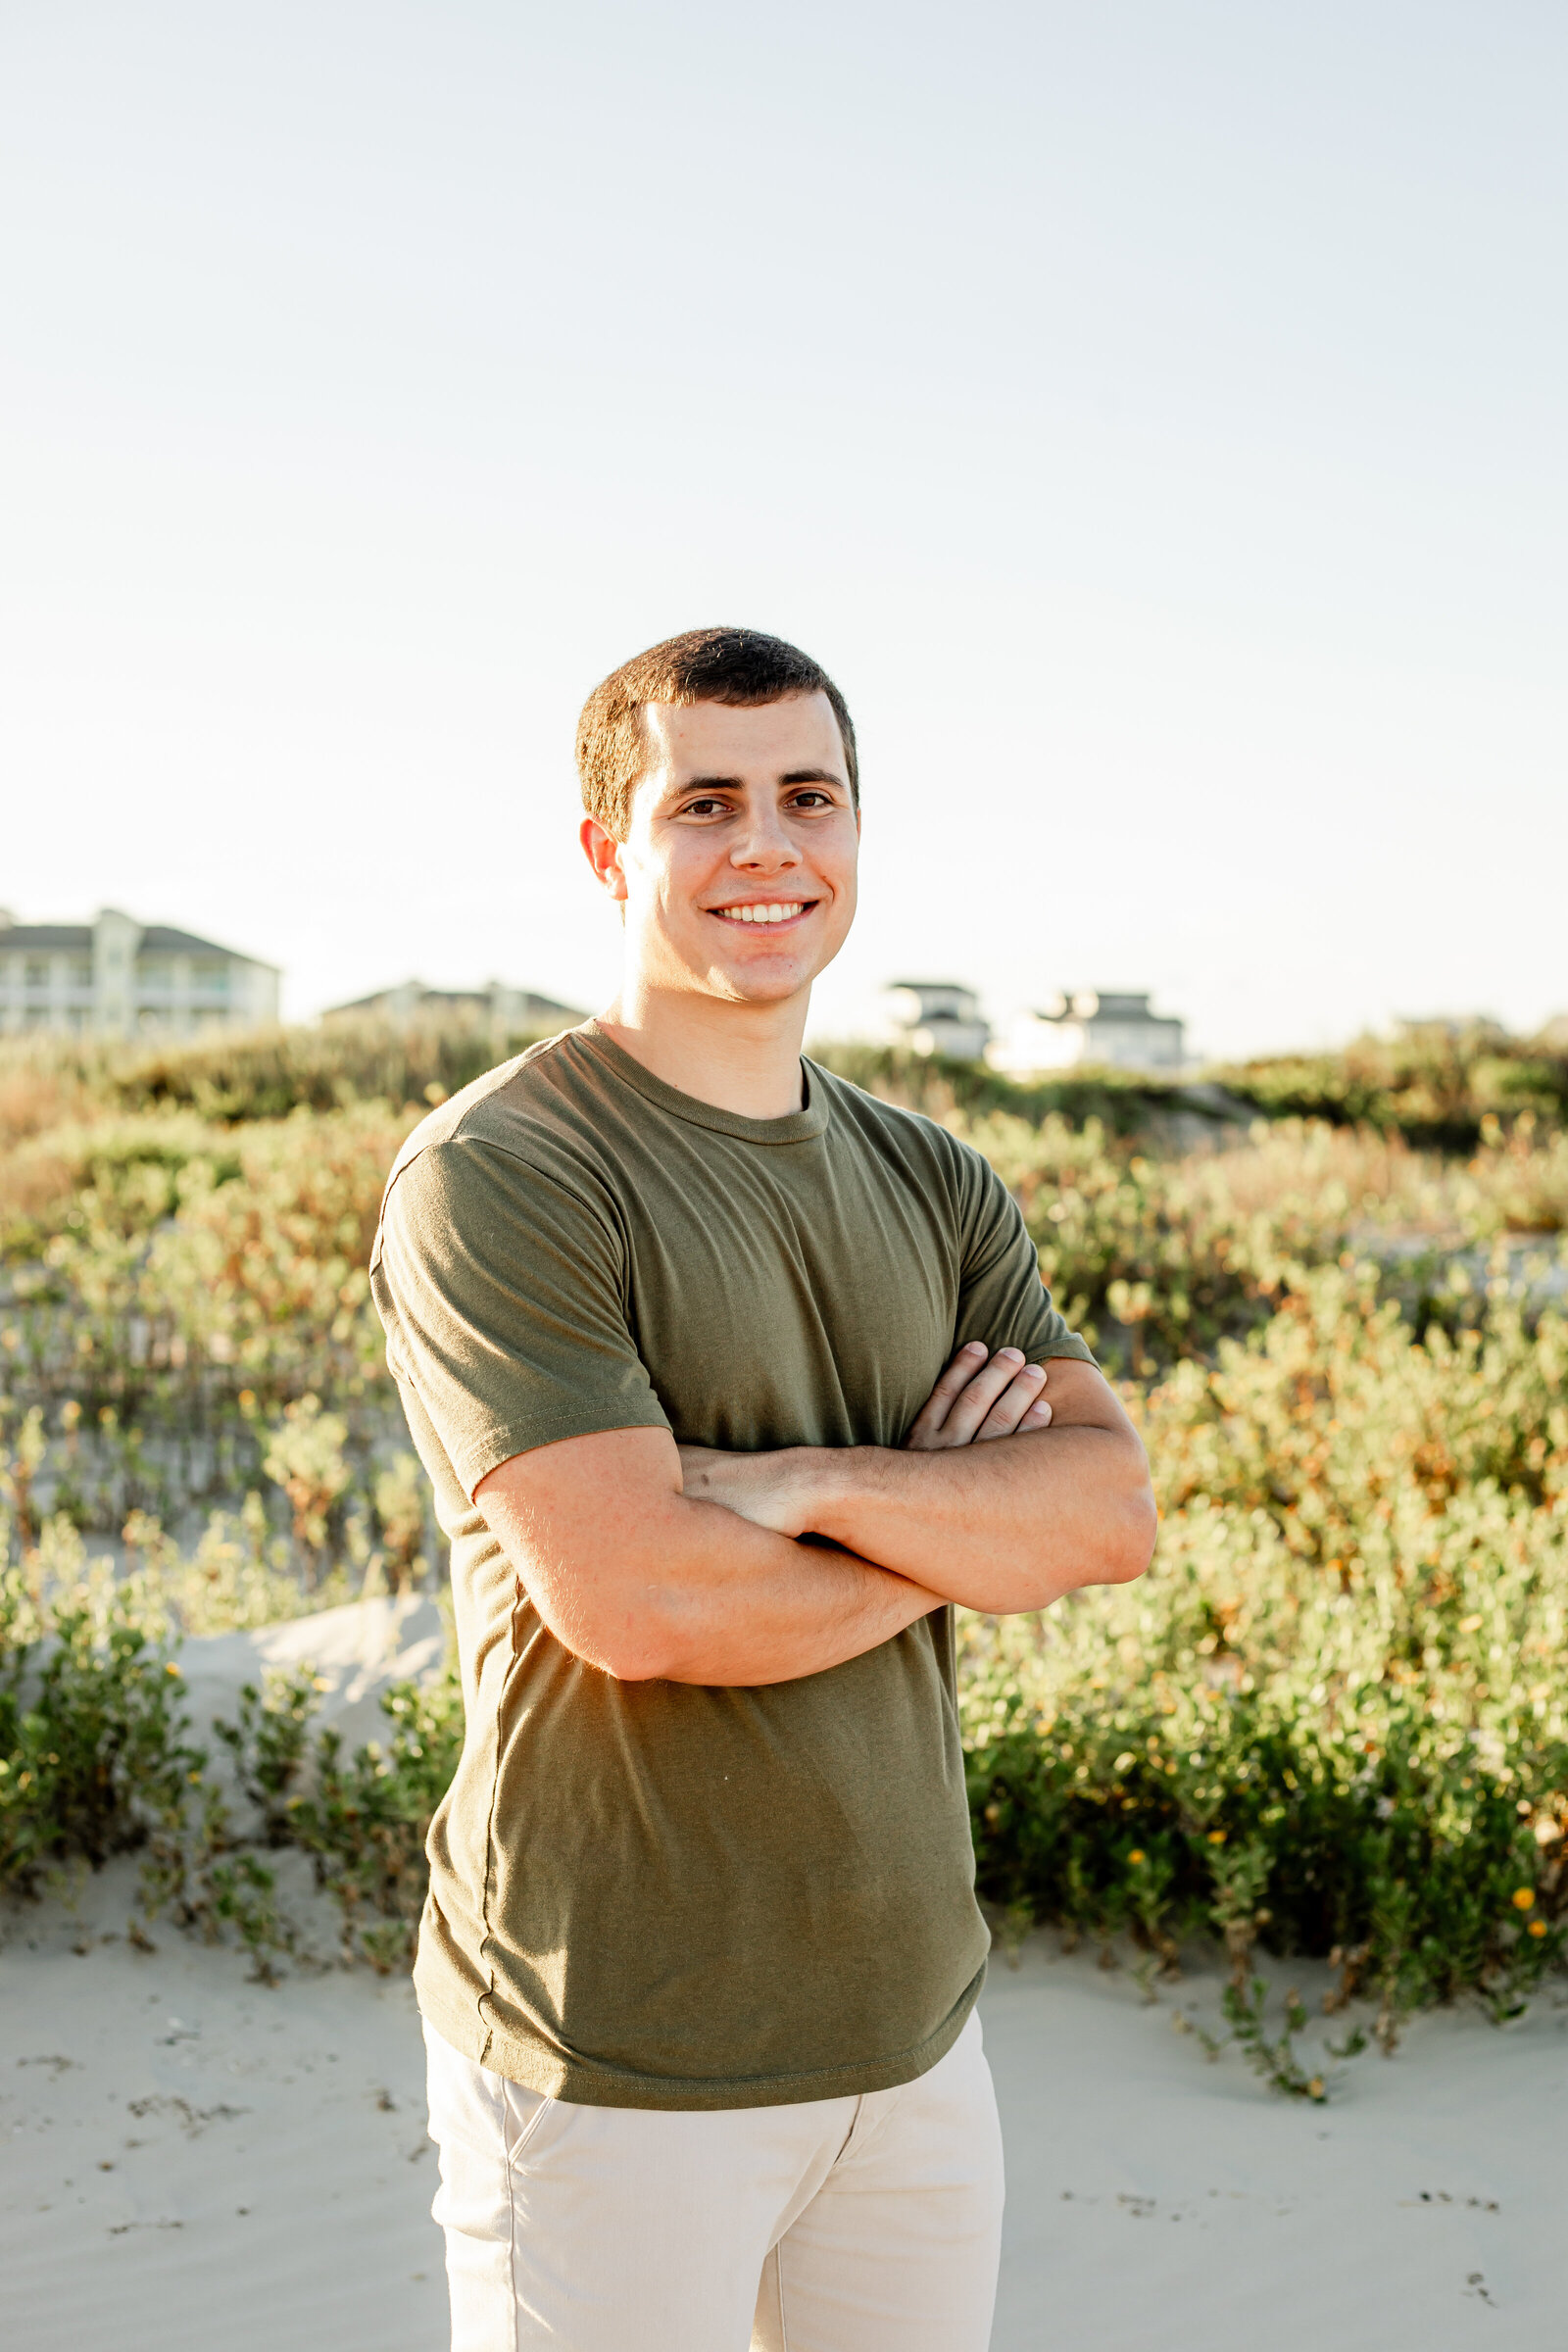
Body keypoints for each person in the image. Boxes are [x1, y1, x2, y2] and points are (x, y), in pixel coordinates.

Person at [370, 626, 1156, 2352]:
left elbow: (1105, 1513)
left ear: (858, 831)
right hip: (618, 2052)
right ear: (609, 849)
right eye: (703, 802)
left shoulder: (931, 1175)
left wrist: (804, 1483)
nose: (765, 848)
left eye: (809, 796)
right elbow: (644, 1602)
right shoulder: (507, 1172)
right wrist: (955, 1529)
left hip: (912, 2030)